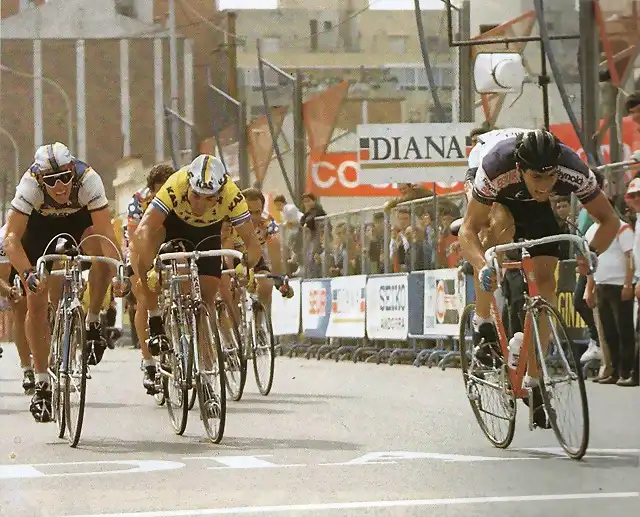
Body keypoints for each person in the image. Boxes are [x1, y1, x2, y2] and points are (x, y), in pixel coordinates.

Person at [458, 129, 620, 427]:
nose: (546, 187)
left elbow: (609, 220)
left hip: (530, 205)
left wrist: (592, 252)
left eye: (550, 179)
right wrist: (483, 264)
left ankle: (534, 381)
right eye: (538, 178)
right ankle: (483, 324)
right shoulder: (497, 166)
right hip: (495, 189)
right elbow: (466, 230)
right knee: (497, 228)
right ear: (522, 169)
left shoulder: (573, 169)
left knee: (547, 283)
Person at [4, 142, 123, 422]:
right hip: (38, 229)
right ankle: (43, 382)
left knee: (101, 252)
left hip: (79, 223)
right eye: (51, 181)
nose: (59, 186)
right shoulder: (29, 185)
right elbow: (11, 239)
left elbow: (107, 234)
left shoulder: (88, 180)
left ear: (73, 171)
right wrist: (28, 273)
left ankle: (93, 318)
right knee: (35, 303)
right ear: (40, 179)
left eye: (65, 178)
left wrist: (120, 271)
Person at [130, 154, 265, 352]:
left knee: (207, 296)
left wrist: (245, 266)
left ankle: (206, 367)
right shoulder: (176, 184)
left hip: (207, 231)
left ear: (220, 194)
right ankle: (155, 316)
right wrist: (152, 267)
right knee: (143, 261)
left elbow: (253, 245)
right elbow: (142, 231)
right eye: (196, 195)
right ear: (189, 187)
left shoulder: (232, 195)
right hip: (173, 225)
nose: (200, 204)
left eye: (209, 198)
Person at [123, 164, 175, 394]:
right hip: (140, 247)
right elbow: (135, 239)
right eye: (158, 189)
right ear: (151, 190)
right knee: (144, 297)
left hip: (168, 245)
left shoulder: (181, 196)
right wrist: (147, 268)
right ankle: (149, 363)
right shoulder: (138, 201)